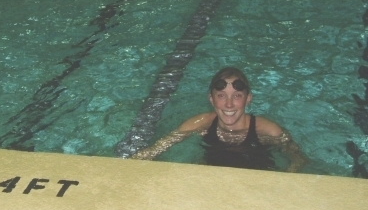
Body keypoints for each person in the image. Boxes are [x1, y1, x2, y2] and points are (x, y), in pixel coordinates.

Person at [132, 67, 309, 172]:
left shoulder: (269, 131)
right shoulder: (200, 123)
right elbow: (156, 149)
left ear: (248, 99)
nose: (229, 104)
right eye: (221, 96)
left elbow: (299, 161)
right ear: (211, 99)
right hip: (214, 180)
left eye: (237, 96)